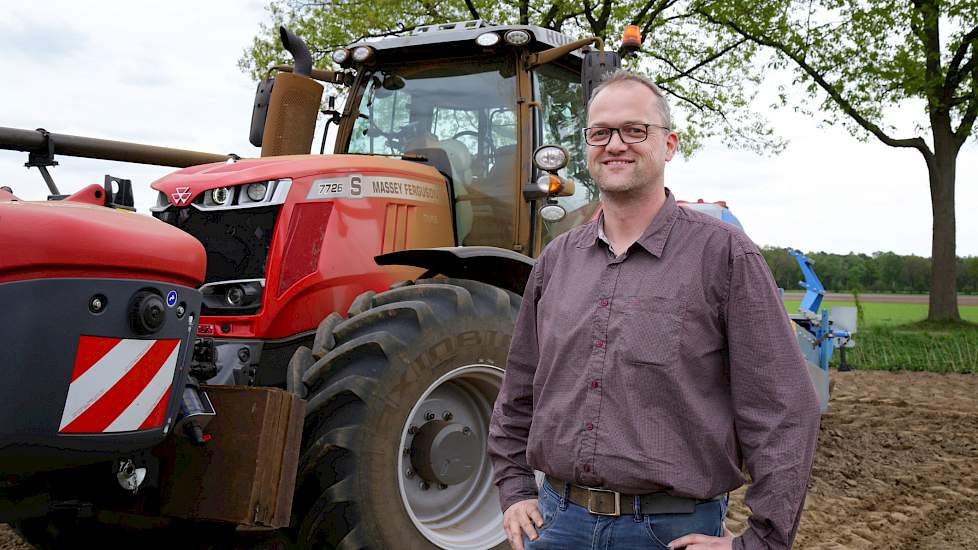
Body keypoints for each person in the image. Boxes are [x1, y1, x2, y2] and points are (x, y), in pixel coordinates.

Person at [487, 69, 821, 550]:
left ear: (669, 145)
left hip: (668, 532)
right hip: (558, 523)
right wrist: (516, 489)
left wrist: (760, 543)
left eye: (635, 130)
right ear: (586, 147)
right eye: (600, 132)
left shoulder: (725, 256)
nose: (615, 144)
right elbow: (518, 390)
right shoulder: (556, 261)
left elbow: (784, 409)